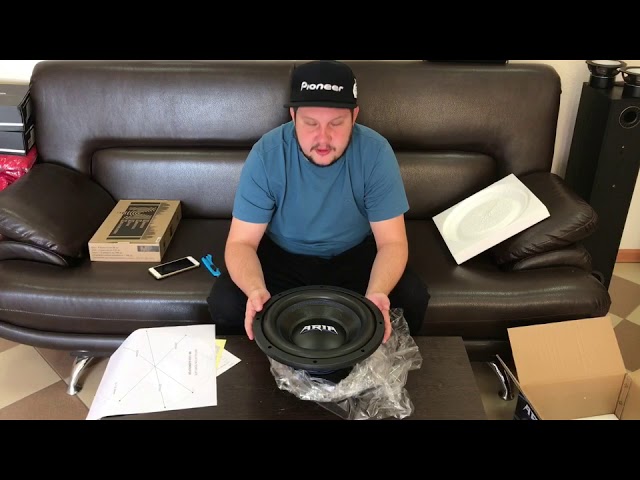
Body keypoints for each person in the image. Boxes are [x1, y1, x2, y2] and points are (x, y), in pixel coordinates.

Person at [207, 60, 429, 343]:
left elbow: (392, 243)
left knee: (412, 296)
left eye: (336, 123)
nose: (323, 138)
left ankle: (377, 364)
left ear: (354, 116)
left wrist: (377, 292)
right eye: (310, 123)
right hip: (283, 257)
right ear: (293, 116)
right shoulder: (267, 154)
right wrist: (255, 290)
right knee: (226, 302)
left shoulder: (376, 153)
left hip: (354, 256)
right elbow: (241, 243)